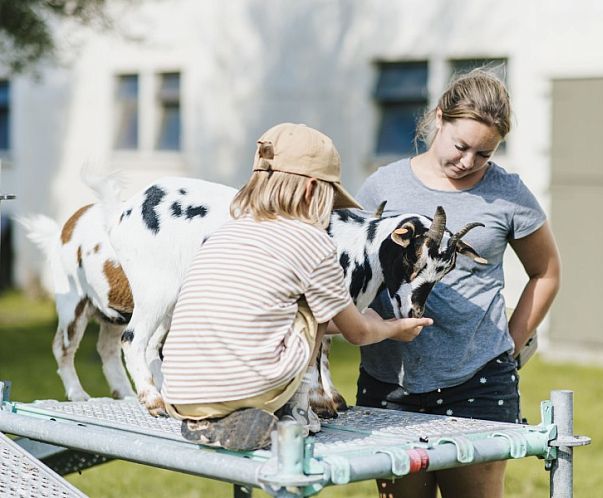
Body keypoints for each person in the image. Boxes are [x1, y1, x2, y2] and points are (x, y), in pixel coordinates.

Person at [160, 123, 432, 451]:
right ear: (311, 190)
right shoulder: (311, 241)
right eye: (331, 199)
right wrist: (391, 327)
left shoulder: (227, 232)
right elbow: (357, 333)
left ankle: (210, 421)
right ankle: (297, 411)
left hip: (179, 392)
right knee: (313, 305)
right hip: (250, 387)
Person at [355, 69, 561, 498]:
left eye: (484, 153)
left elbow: (546, 272)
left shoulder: (509, 194)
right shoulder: (382, 187)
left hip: (479, 383)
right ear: (438, 119)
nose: (468, 162)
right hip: (390, 380)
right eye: (461, 146)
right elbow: (351, 272)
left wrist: (510, 343)